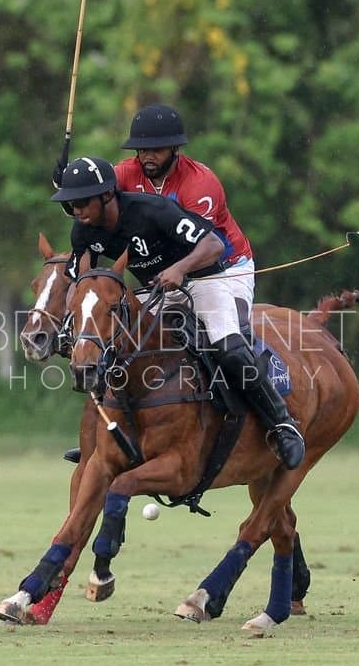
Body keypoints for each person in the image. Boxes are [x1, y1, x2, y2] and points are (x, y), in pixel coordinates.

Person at [51, 156, 305, 470]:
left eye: (80, 202)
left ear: (105, 195)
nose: (75, 210)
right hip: (158, 290)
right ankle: (106, 437)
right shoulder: (84, 232)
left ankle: (281, 424)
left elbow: (213, 246)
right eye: (70, 204)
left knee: (228, 346)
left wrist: (180, 269)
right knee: (115, 345)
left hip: (204, 280)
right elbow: (79, 281)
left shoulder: (152, 210)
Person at [114, 102, 256, 325]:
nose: (148, 157)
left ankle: (259, 349)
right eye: (142, 150)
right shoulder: (126, 173)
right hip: (167, 276)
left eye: (157, 150)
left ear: (175, 149)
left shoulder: (200, 183)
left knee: (232, 327)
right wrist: (68, 183)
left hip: (226, 268)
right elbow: (95, 197)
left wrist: (178, 269)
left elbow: (205, 247)